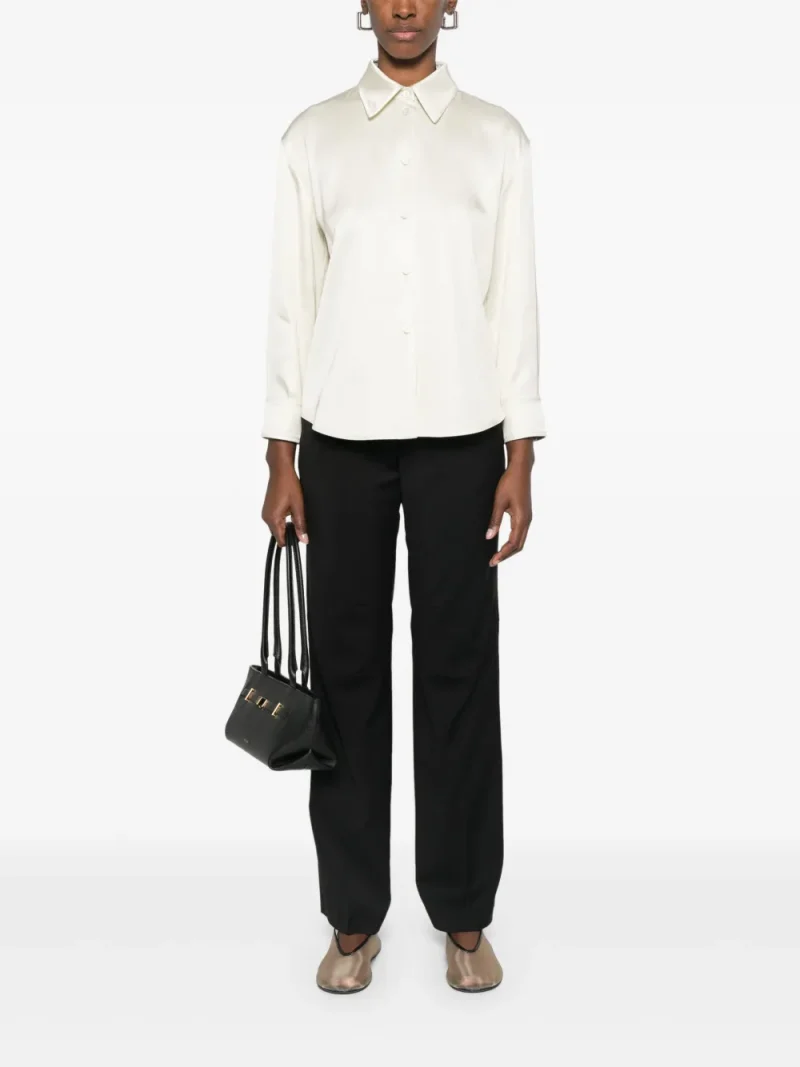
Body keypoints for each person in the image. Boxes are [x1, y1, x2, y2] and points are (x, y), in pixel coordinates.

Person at [260, 0, 545, 994]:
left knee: (459, 669)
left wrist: (521, 450)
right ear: (366, 5)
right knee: (345, 676)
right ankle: (352, 915)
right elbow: (292, 300)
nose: (407, 8)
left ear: (450, 5)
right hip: (339, 441)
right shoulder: (313, 137)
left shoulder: (496, 138)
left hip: (463, 441)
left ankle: (463, 911)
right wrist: (280, 452)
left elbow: (514, 300)